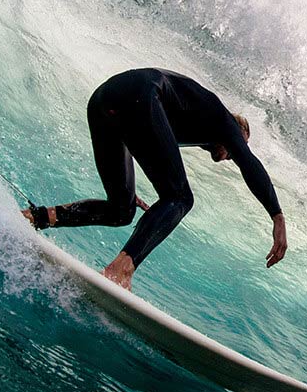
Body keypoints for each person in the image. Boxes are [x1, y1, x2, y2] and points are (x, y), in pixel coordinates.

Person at [22, 68, 287, 291]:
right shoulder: (225, 122)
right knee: (181, 198)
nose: (232, 156)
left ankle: (36, 217)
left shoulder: (193, 117)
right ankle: (121, 270)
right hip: (140, 97)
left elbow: (141, 136)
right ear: (238, 132)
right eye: (238, 146)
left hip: (106, 99)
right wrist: (277, 216)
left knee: (121, 209)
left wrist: (125, 184)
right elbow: (250, 165)